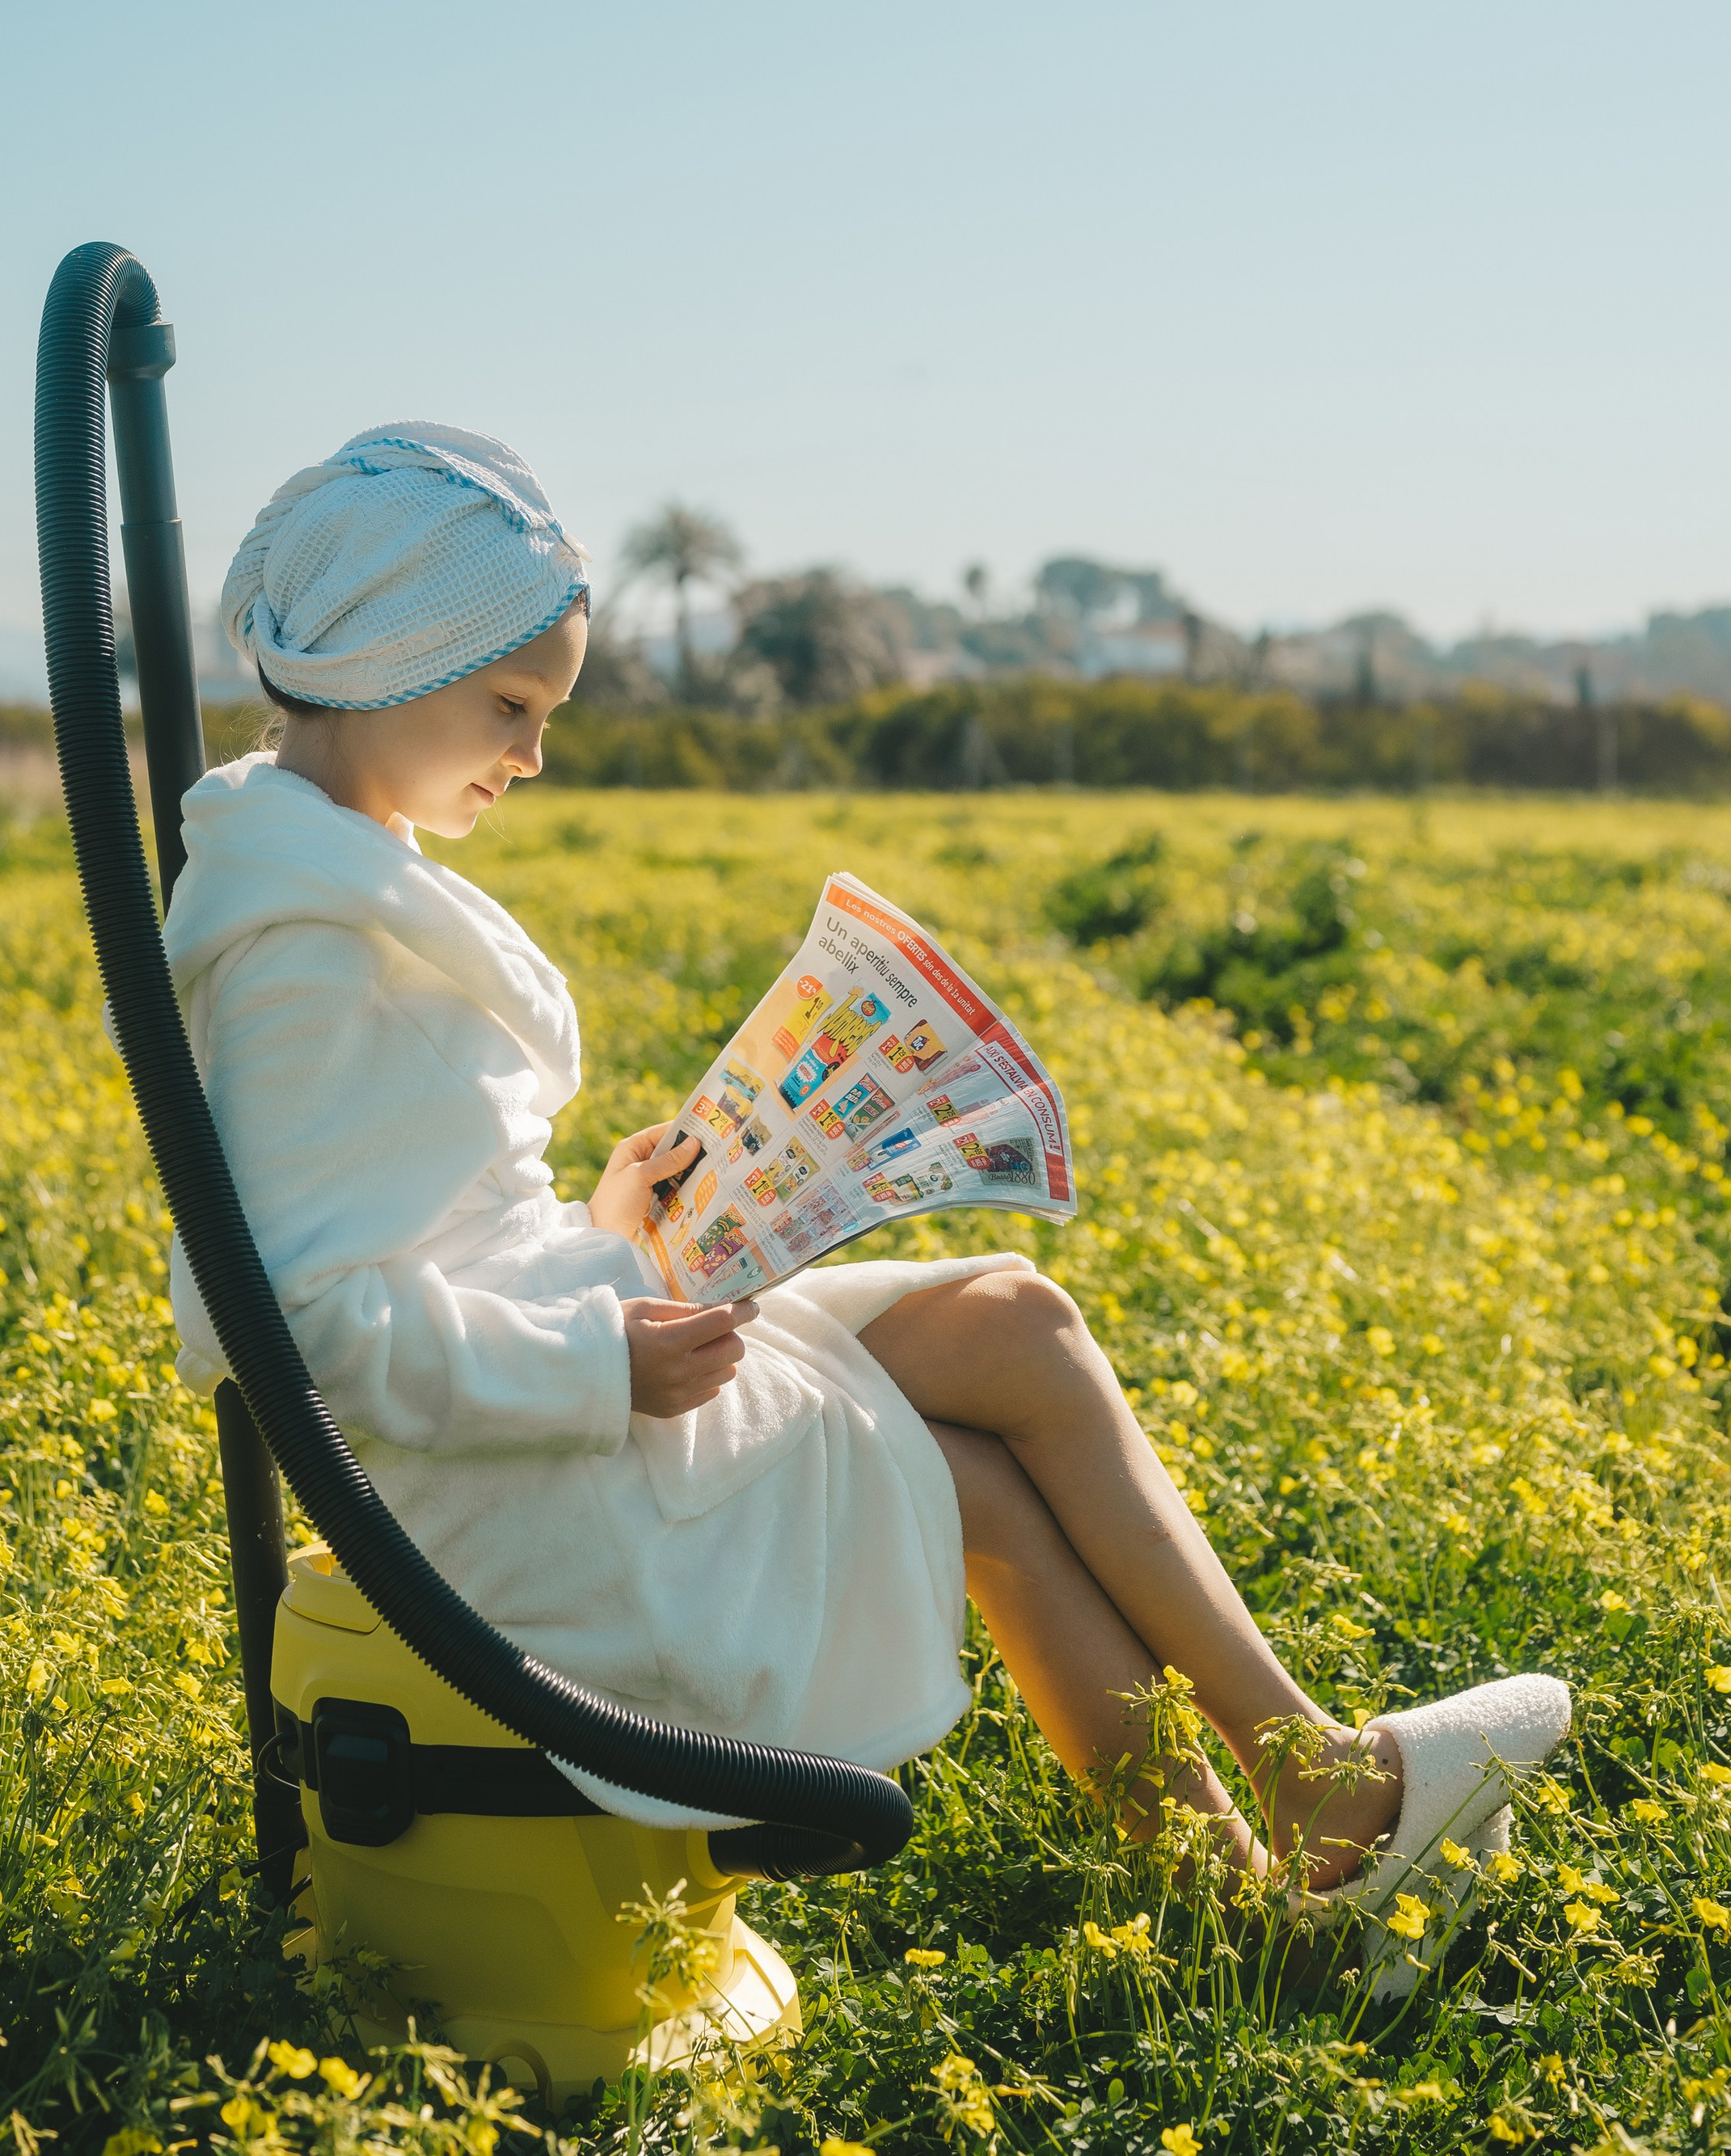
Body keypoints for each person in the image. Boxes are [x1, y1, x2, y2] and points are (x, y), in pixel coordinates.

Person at [163, 423, 1567, 1963]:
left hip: (553, 1372)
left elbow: (419, 1230)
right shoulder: (303, 945)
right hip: (511, 1490)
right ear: (387, 657)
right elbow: (289, 1327)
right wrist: (600, 1360)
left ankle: (1314, 1782)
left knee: (1014, 1320)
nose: (533, 754)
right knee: (978, 1496)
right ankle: (1259, 1895)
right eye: (512, 705)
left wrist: (609, 1228)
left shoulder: (338, 871)